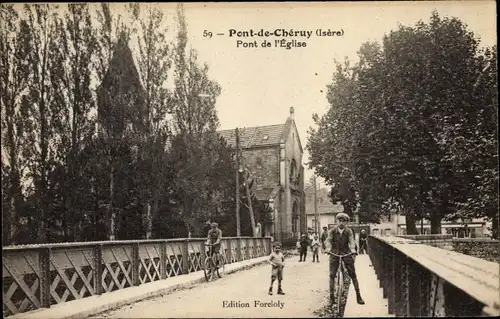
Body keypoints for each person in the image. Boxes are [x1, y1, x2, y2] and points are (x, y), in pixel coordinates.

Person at [325, 213, 365, 305]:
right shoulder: (332, 231)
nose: (341, 223)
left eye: (343, 221)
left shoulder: (349, 231)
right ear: (336, 221)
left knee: (353, 274)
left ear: (346, 222)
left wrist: (352, 249)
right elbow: (328, 240)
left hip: (346, 253)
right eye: (339, 220)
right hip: (334, 253)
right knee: (331, 275)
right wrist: (328, 248)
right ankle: (331, 298)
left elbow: (351, 241)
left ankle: (358, 296)